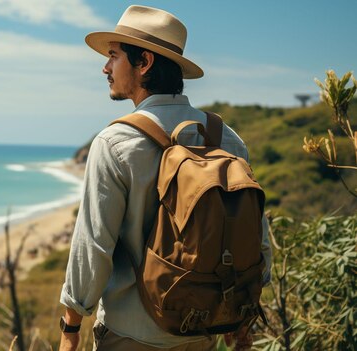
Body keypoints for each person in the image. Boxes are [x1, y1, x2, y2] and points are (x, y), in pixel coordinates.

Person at [58, 5, 272, 351]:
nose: (105, 67)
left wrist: (70, 327)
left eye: (114, 56)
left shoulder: (114, 143)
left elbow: (94, 246)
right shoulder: (227, 139)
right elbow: (256, 236)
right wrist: (242, 314)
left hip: (131, 335)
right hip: (202, 329)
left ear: (144, 62)